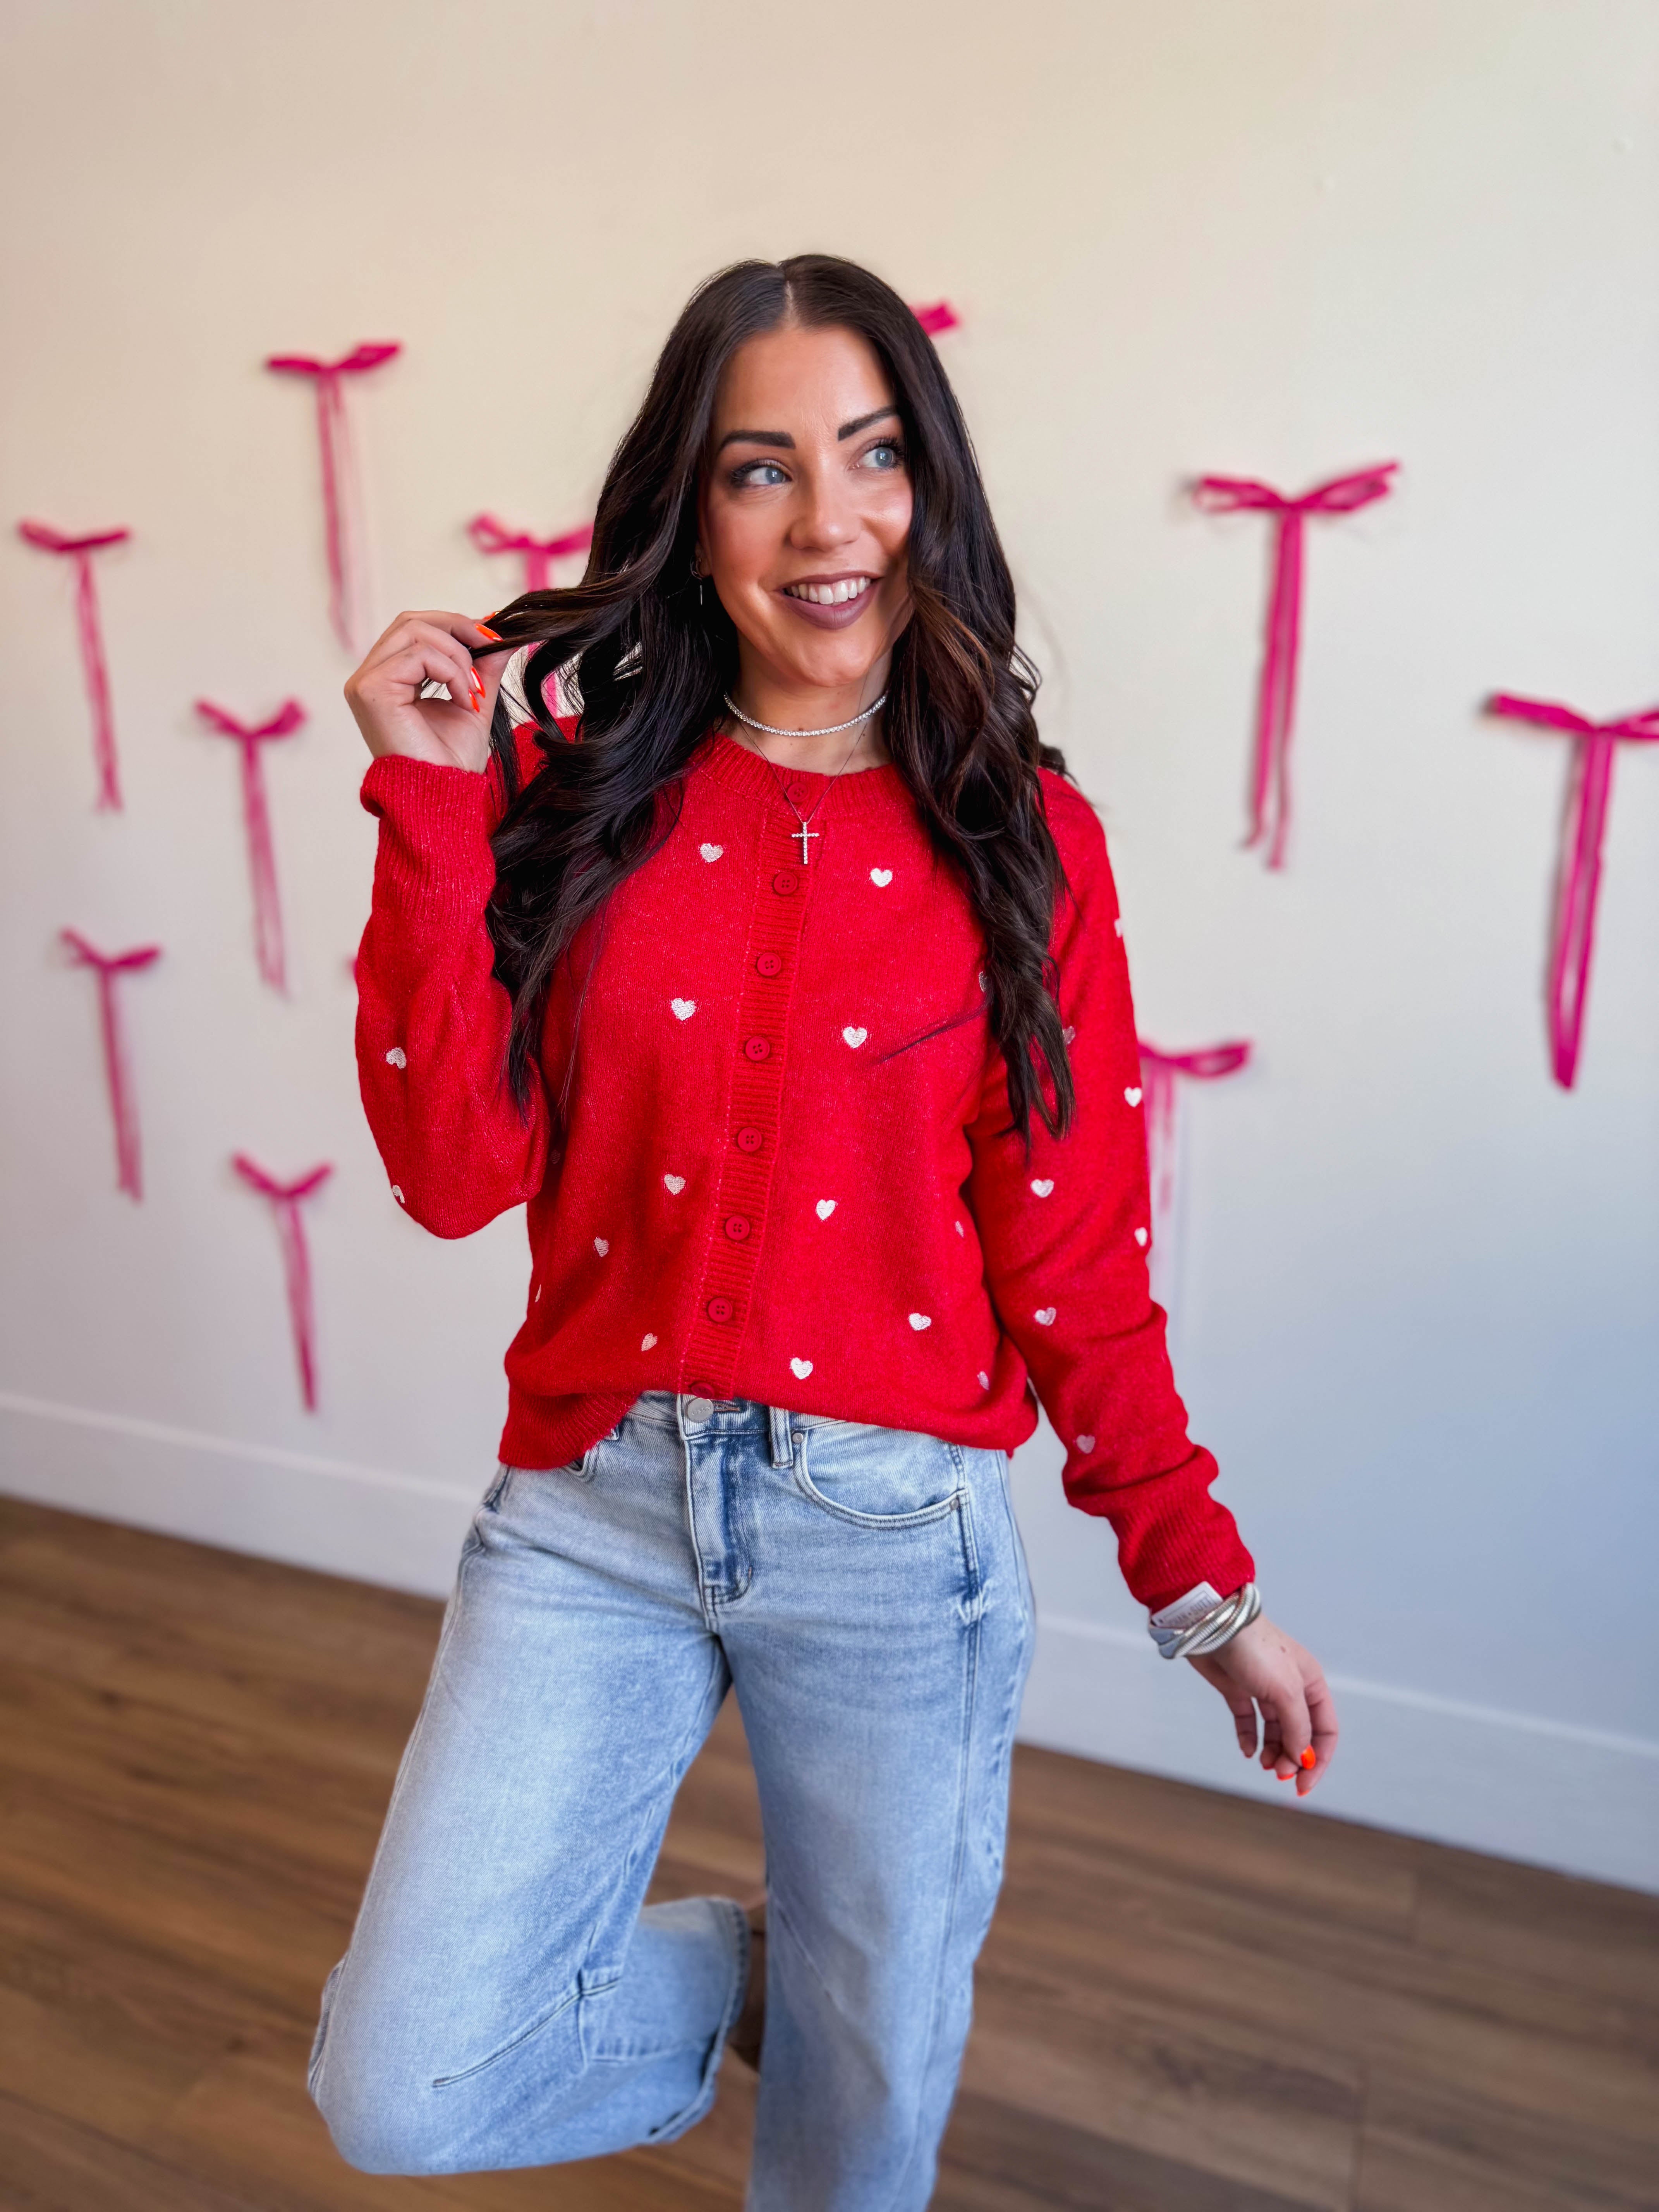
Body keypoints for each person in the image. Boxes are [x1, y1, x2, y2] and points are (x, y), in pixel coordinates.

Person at [309, 253, 1337, 2208]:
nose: (828, 521)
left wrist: (1202, 1589)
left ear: (929, 490)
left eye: (872, 458)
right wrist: (430, 807)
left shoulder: (1028, 843)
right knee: (407, 2084)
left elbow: (1075, 1259)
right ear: (692, 516)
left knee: (859, 2129)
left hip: (893, 1542)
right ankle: (774, 1968)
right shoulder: (569, 794)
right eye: (760, 470)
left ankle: (860, 1987)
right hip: (591, 1509)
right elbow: (451, 1172)